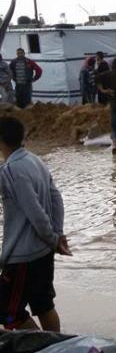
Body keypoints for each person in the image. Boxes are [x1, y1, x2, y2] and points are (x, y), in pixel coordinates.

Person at [0, 116, 72, 332]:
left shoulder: (10, 170)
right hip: (42, 252)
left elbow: (36, 213)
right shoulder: (35, 160)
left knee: (8, 313)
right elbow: (56, 198)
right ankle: (56, 348)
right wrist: (57, 235)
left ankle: (42, 347)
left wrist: (52, 239)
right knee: (44, 305)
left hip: (23, 257)